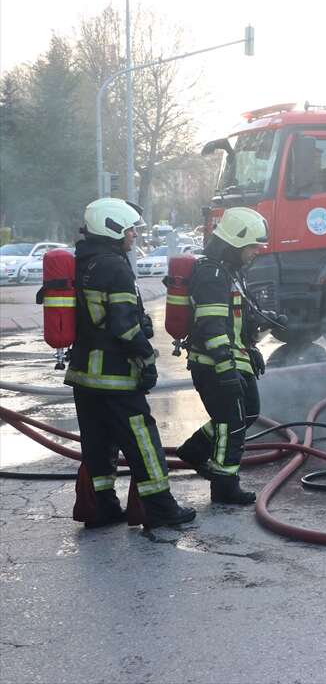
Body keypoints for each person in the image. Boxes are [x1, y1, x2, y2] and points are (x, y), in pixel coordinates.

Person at [65, 198, 196, 528]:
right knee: (142, 438)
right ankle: (161, 508)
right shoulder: (115, 266)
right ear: (113, 228)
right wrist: (147, 358)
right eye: (130, 228)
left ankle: (101, 507)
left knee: (97, 442)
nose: (135, 234)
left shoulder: (82, 263)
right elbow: (124, 326)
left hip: (83, 374)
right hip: (115, 374)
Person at [176, 207, 273, 504]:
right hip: (213, 363)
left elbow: (236, 320)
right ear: (234, 243)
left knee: (248, 413)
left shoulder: (230, 272)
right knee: (230, 423)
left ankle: (194, 450)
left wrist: (259, 331)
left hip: (234, 358)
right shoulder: (212, 274)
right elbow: (212, 325)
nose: (257, 251)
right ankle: (224, 485)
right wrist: (225, 368)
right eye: (253, 246)